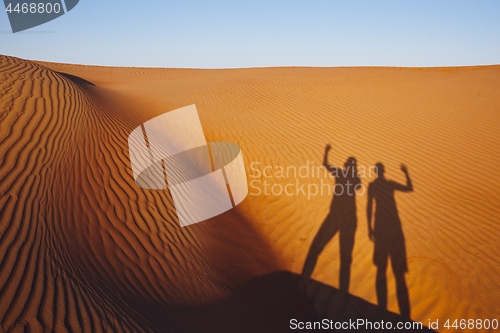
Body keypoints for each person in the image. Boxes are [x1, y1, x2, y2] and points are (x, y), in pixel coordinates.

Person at [302, 144, 360, 293]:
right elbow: (327, 165)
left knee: (323, 248)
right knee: (341, 255)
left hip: (339, 216)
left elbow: (326, 165)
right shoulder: (352, 177)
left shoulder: (345, 175)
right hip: (344, 217)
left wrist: (326, 152)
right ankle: (342, 292)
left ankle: (304, 280)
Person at [367, 163, 412, 318]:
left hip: (381, 228)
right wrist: (406, 173)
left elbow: (369, 207)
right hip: (393, 227)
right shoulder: (389, 184)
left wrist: (369, 227)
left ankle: (382, 309)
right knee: (397, 271)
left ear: (376, 172)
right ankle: (404, 316)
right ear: (383, 171)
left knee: (382, 269)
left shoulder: (372, 186)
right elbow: (409, 187)